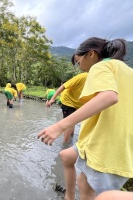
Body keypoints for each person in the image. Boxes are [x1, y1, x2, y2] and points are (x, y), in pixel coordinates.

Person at [38, 37, 133, 200]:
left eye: (78, 62)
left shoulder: (100, 66)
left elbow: (109, 97)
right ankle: (69, 196)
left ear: (91, 54)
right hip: (112, 136)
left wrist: (59, 126)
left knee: (95, 193)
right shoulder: (125, 70)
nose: (79, 68)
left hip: (108, 143)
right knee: (66, 156)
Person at [46, 72, 87, 143]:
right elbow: (63, 86)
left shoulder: (99, 79)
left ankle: (70, 137)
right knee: (69, 122)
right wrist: (52, 99)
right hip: (68, 101)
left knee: (73, 121)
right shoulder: (83, 76)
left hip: (78, 104)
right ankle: (65, 143)